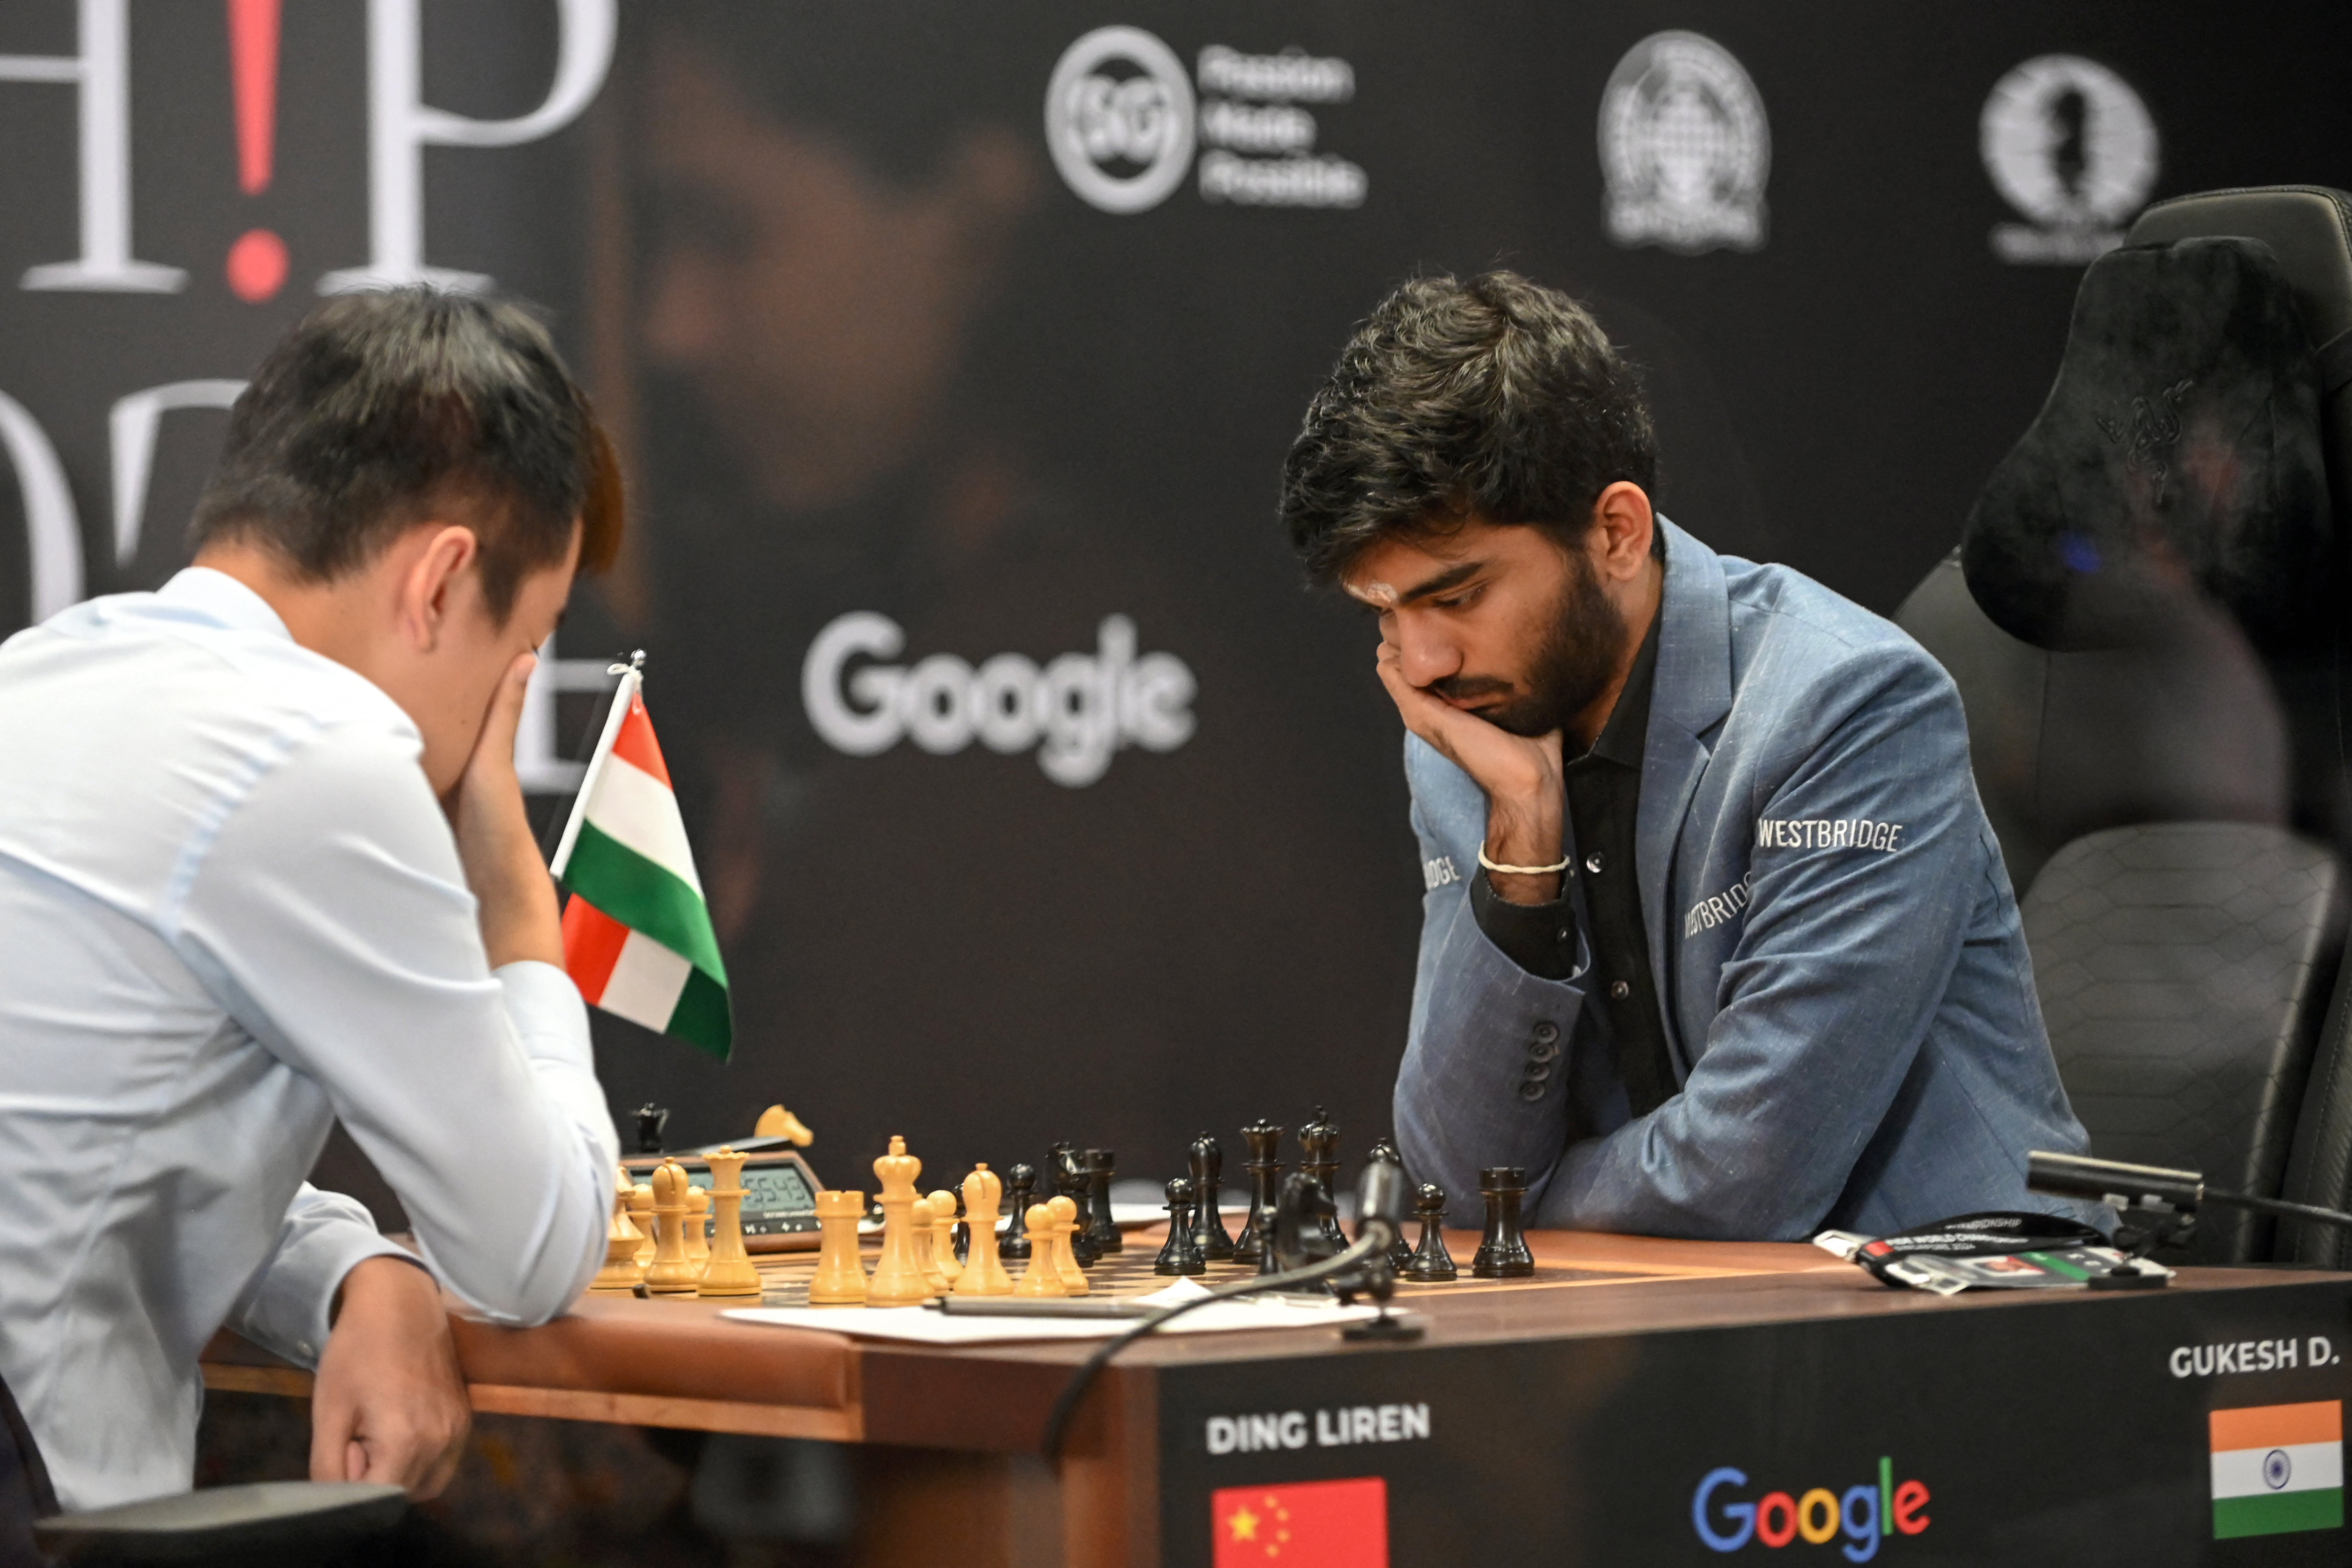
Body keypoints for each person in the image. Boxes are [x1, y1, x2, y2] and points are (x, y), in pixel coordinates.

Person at [1278, 271, 2103, 1240]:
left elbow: (1749, 1176)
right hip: (1673, 1312)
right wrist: (1522, 849)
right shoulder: (1473, 735)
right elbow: (1457, 1179)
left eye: (1456, 599)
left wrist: (1528, 1204)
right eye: (1385, 610)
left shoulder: (1847, 702)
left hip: (1945, 1297)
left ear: (1615, 534)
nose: (1420, 663)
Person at [0, 290, 625, 1509]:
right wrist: (514, 904)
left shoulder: (41, 670)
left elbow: (125, 1151)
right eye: (524, 649)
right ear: (444, 582)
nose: (505, 706)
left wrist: (363, 1272)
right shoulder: (315, 753)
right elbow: (531, 1252)